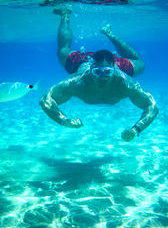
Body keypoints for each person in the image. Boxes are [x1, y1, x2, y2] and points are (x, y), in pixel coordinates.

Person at [39, 7, 158, 142]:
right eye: (97, 72)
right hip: (82, 62)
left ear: (114, 69)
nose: (102, 77)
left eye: (107, 72)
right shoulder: (76, 82)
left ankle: (109, 34)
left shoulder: (126, 84)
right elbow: (45, 100)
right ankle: (65, 14)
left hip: (114, 63)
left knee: (140, 64)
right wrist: (63, 120)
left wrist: (136, 129)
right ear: (91, 70)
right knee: (62, 50)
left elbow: (152, 106)